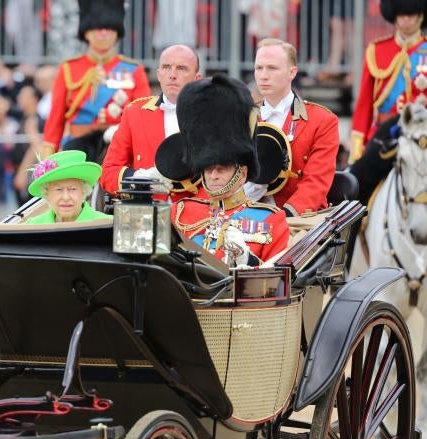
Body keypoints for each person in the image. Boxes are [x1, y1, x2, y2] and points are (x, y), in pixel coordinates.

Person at [166, 74, 290, 266]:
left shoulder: (271, 219)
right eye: (208, 169)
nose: (213, 175)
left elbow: (276, 281)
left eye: (221, 169)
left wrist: (246, 260)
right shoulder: (180, 211)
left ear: (241, 174)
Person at [41, 0, 150, 162]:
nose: (104, 33)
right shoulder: (69, 68)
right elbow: (55, 120)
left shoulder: (134, 70)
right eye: (98, 28)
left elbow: (143, 118)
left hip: (119, 148)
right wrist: (48, 159)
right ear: (86, 32)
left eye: (109, 28)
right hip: (77, 149)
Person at [100, 44, 202, 197]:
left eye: (181, 68)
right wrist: (141, 179)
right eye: (166, 67)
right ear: (159, 74)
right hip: (148, 210)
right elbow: (108, 172)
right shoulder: (134, 112)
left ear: (197, 78)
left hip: (198, 213)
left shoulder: (210, 113)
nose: (172, 74)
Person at [253, 38, 339, 216]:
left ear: (292, 72)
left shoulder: (322, 120)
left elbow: (316, 182)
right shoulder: (243, 117)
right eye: (259, 68)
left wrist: (286, 216)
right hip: (248, 215)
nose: (263, 75)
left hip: (297, 219)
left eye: (272, 68)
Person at [350, 0, 427, 162]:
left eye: (411, 13)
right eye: (401, 13)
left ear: (422, 14)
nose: (405, 19)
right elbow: (365, 103)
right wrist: (357, 145)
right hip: (382, 134)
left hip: (421, 134)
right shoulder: (376, 50)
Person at [26, 150, 112, 224]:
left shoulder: (107, 224)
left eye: (73, 189)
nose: (66, 197)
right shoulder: (33, 226)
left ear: (83, 191)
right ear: (47, 193)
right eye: (59, 189)